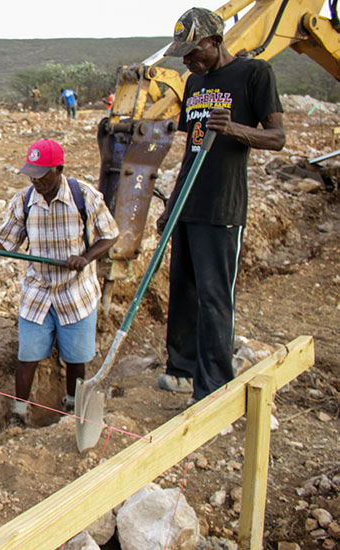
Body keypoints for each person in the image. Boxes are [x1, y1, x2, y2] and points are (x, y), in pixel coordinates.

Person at [156, 8, 285, 404]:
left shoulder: (254, 74)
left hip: (222, 207)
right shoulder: (194, 82)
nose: (188, 60)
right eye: (183, 54)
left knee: (214, 296)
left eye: (194, 51)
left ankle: (213, 385)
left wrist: (233, 129)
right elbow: (189, 150)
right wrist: (171, 205)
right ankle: (181, 368)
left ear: (215, 41)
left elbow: (277, 137)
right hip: (188, 204)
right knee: (183, 290)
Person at [0, 139, 119, 426]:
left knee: (75, 356)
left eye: (42, 175)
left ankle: (71, 405)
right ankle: (20, 412)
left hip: (76, 292)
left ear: (59, 169)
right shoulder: (23, 201)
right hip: (38, 292)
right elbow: (4, 243)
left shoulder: (85, 196)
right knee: (27, 354)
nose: (36, 181)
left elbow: (111, 234)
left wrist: (86, 257)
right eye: (32, 174)